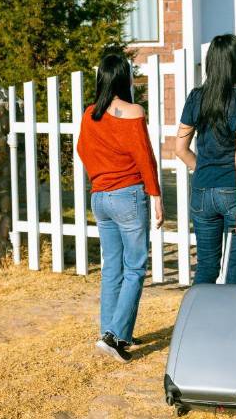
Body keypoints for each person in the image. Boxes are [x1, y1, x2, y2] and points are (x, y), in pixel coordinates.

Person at [77, 53, 164, 363]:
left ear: (102, 78)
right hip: (128, 194)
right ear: (124, 79)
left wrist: (100, 175)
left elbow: (82, 150)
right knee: (136, 266)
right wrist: (156, 196)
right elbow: (144, 157)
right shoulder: (134, 111)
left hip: (99, 197)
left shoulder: (89, 114)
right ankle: (114, 335)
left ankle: (110, 331)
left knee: (112, 266)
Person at [175, 34, 236, 285]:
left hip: (202, 192)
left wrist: (203, 169)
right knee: (235, 273)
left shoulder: (196, 97)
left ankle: (201, 323)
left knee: (205, 268)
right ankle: (229, 324)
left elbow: (180, 148)